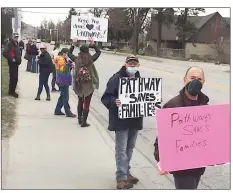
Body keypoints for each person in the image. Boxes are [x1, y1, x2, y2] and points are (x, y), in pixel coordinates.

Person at [154, 66, 209, 190]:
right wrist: (161, 160)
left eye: (199, 79)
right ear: (185, 80)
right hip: (181, 167)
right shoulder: (173, 105)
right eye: (192, 78)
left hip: (199, 165)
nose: (196, 81)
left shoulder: (205, 106)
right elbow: (162, 138)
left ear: (203, 83)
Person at [101, 55, 142, 189]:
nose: (132, 66)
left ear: (138, 66)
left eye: (135, 64)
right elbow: (105, 97)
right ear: (125, 65)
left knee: (129, 148)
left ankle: (126, 172)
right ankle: (121, 177)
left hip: (135, 120)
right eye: (130, 64)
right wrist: (114, 101)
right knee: (121, 149)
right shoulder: (116, 78)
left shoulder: (139, 80)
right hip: (121, 120)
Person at [68, 39, 101, 127]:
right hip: (89, 84)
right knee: (87, 102)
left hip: (79, 83)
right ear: (88, 50)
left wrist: (73, 44)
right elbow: (98, 52)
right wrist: (93, 44)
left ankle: (79, 118)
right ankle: (84, 122)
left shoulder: (76, 59)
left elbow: (69, 54)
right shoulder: (91, 59)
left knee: (80, 101)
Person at [54, 48, 76, 117]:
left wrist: (69, 65)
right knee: (65, 97)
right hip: (63, 80)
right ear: (63, 53)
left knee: (62, 96)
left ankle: (57, 110)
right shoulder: (61, 60)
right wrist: (69, 64)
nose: (67, 55)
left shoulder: (62, 59)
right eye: (66, 53)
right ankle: (68, 112)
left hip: (62, 79)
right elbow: (63, 69)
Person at [3, 33, 22, 98]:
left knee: (15, 78)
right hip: (12, 64)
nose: (16, 38)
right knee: (13, 77)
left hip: (16, 63)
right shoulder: (10, 44)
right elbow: (5, 53)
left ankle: (12, 91)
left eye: (17, 37)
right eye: (15, 37)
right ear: (12, 37)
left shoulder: (16, 43)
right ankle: (11, 91)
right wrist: (12, 59)